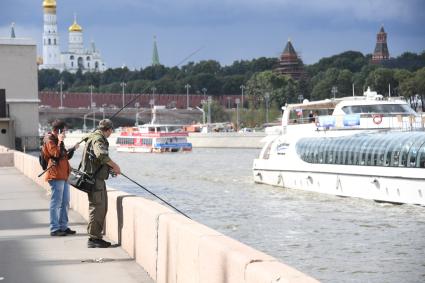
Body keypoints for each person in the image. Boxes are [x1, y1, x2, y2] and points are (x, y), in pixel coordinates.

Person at [80, 119, 121, 248]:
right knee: (97, 208)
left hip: (96, 179)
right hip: (95, 180)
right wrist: (115, 166)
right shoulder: (98, 138)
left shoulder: (93, 135)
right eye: (110, 131)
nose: (110, 134)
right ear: (108, 130)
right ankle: (94, 239)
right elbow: (101, 155)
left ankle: (96, 237)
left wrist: (108, 169)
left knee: (100, 208)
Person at [43, 120, 79, 236]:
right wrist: (60, 141)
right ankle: (54, 228)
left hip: (64, 175)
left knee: (65, 202)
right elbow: (55, 154)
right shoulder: (50, 140)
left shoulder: (58, 141)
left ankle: (63, 226)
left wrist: (73, 148)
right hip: (55, 175)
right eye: (64, 130)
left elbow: (64, 156)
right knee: (56, 203)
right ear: (58, 130)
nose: (65, 132)